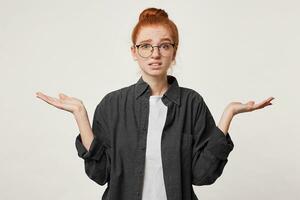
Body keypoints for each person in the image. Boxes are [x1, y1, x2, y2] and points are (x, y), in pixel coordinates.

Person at [36, 7, 274, 200]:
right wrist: (80, 116)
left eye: (165, 45)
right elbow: (100, 174)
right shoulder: (112, 104)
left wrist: (228, 114)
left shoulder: (191, 103)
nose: (155, 53)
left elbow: (203, 175)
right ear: (134, 51)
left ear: (174, 50)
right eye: (146, 45)